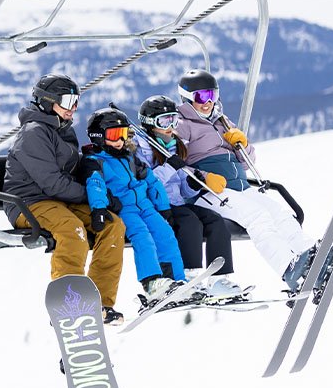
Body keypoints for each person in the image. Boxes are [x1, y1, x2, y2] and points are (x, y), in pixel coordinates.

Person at [171, 69, 319, 292]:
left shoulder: (222, 121)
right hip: (208, 190)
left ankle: (311, 256)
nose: (208, 102)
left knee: (279, 214)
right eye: (201, 97)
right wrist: (202, 177)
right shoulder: (181, 124)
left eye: (212, 95)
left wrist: (243, 144)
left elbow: (249, 160)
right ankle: (288, 268)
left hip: (240, 186)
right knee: (258, 217)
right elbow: (174, 164)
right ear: (187, 98)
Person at [3, 74, 128, 325]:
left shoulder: (61, 130)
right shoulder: (34, 133)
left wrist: (93, 172)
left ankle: (100, 303)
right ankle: (68, 303)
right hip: (30, 203)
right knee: (73, 231)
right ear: (48, 102)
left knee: (113, 226)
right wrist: (94, 199)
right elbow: (52, 183)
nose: (73, 108)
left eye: (76, 101)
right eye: (68, 101)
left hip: (59, 201)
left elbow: (72, 169)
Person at [133, 95, 243, 299]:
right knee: (190, 222)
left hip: (177, 201)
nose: (171, 126)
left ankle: (219, 279)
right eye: (164, 121)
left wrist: (191, 185)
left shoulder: (175, 145)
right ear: (150, 124)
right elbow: (145, 184)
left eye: (174, 120)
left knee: (215, 221)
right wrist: (168, 167)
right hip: (156, 205)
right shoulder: (140, 149)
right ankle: (189, 277)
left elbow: (182, 186)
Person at [79, 107, 189, 309]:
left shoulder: (130, 158)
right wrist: (99, 209)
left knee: (166, 234)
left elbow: (152, 181)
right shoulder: (95, 162)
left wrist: (163, 207)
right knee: (142, 237)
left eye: (123, 134)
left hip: (146, 206)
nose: (120, 140)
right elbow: (95, 186)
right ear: (99, 137)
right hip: (125, 210)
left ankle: (176, 279)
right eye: (114, 135)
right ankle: (152, 282)